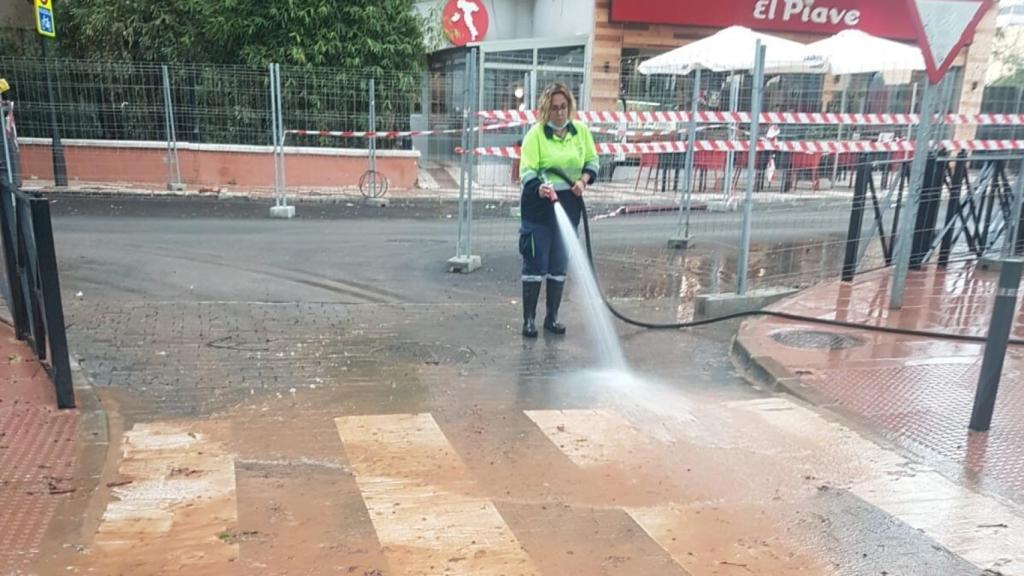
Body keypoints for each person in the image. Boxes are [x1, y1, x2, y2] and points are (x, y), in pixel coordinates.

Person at [517, 83, 599, 338]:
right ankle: (528, 321)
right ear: (546, 110)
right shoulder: (536, 135)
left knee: (558, 264)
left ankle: (551, 318)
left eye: (563, 107)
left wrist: (583, 181)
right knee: (534, 263)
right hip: (539, 209)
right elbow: (527, 171)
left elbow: (592, 161)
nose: (560, 113)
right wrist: (539, 187)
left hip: (569, 205)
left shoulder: (580, 132)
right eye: (554, 108)